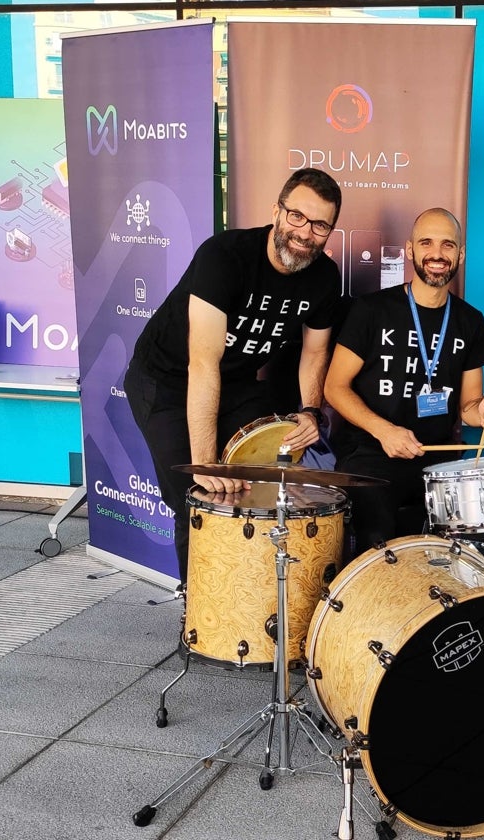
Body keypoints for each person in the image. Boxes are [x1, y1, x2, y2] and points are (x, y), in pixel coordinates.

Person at [123, 168, 345, 587]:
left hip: (237, 382)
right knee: (199, 498)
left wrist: (311, 411)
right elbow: (202, 364)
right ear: (276, 211)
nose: (305, 232)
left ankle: (254, 598)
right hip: (167, 380)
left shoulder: (323, 278)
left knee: (263, 482)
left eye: (320, 225)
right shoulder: (225, 256)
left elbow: (315, 352)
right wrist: (205, 462)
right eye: (297, 216)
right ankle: (200, 619)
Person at [324, 207, 484, 592]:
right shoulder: (371, 310)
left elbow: (468, 407)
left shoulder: (470, 321)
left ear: (460, 255)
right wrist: (384, 430)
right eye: (426, 242)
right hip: (374, 457)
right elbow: (334, 387)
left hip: (440, 463)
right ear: (410, 250)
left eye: (448, 244)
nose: (437, 253)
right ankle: (375, 622)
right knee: (378, 528)